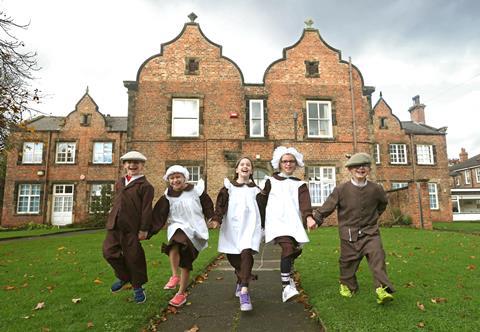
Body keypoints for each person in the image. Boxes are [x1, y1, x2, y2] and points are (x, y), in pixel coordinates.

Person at [313, 152, 395, 304]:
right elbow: (328, 206)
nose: (361, 169)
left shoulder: (376, 189)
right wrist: (316, 219)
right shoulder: (341, 190)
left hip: (370, 232)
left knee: (378, 257)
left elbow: (382, 204)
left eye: (364, 166)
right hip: (348, 234)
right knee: (348, 262)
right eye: (357, 166)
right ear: (350, 170)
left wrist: (374, 216)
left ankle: (382, 289)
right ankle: (347, 285)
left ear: (368, 170)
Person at [257, 146, 317, 302]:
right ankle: (286, 287)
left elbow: (305, 204)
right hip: (276, 223)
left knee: (294, 251)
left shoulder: (300, 184)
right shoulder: (269, 181)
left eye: (291, 161)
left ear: (296, 164)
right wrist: (261, 224)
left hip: (294, 223)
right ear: (279, 163)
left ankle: (289, 276)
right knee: (288, 248)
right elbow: (260, 203)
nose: (288, 164)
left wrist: (309, 217)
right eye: (285, 161)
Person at [152, 165, 214, 307]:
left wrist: (213, 218)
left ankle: (181, 293)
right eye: (172, 178)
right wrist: (147, 231)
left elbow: (207, 206)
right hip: (177, 226)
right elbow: (158, 216)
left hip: (195, 230)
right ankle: (175, 276)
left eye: (178, 177)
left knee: (185, 261)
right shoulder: (167, 195)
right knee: (175, 243)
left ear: (185, 178)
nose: (175, 180)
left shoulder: (196, 191)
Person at [210, 156, 262, 312]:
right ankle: (241, 278)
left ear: (251, 170)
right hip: (231, 228)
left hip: (250, 227)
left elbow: (264, 209)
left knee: (246, 253)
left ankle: (245, 291)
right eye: (242, 164)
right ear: (237, 169)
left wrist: (266, 227)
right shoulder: (228, 188)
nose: (245, 166)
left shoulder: (257, 190)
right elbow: (220, 206)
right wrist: (217, 220)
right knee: (234, 258)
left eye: (248, 164)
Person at [102, 151, 154, 304]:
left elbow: (146, 209)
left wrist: (144, 229)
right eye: (129, 162)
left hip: (132, 228)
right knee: (109, 252)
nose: (132, 165)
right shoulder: (120, 182)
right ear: (124, 165)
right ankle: (124, 277)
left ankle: (138, 288)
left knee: (134, 258)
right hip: (114, 225)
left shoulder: (146, 186)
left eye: (136, 162)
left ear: (142, 165)